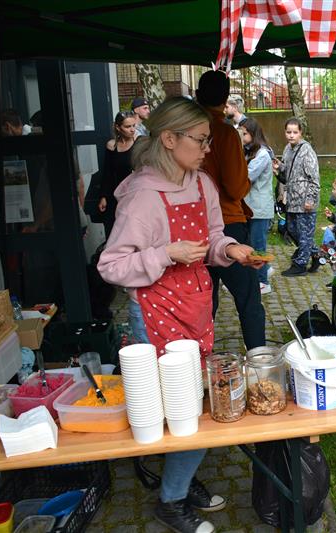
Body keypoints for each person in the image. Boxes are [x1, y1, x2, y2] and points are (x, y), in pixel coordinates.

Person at [98, 96, 263, 533]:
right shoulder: (142, 197)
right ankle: (171, 501)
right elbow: (110, 265)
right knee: (184, 404)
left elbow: (211, 236)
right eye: (201, 140)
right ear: (169, 140)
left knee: (193, 401)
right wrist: (164, 254)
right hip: (155, 312)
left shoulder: (201, 183)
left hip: (196, 303)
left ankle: (180, 479)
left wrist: (230, 248)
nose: (208, 148)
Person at [195, 70, 266, 350]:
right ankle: (260, 361)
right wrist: (247, 180)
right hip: (227, 223)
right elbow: (236, 187)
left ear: (199, 96)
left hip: (192, 226)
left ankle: (201, 360)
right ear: (225, 100)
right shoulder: (224, 133)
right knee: (248, 299)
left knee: (204, 300)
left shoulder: (186, 131)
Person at [273, 118, 321, 276]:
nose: (291, 135)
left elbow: (314, 178)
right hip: (292, 200)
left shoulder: (307, 150)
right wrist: (279, 167)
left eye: (295, 132)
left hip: (305, 200)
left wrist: (310, 199)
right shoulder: (288, 149)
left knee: (304, 232)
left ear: (301, 132)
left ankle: (300, 264)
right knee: (292, 230)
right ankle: (315, 253)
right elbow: (287, 173)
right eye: (288, 132)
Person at [239, 117, 274, 295]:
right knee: (249, 243)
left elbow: (246, 176)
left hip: (259, 208)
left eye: (244, 134)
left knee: (258, 244)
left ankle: (263, 281)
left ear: (253, 134)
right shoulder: (249, 151)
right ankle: (260, 273)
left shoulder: (262, 154)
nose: (241, 137)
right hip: (250, 206)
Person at [98, 111, 137, 239]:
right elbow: (107, 172)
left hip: (134, 195)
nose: (132, 130)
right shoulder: (111, 145)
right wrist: (103, 196)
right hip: (115, 195)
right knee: (113, 233)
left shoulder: (140, 143)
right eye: (127, 126)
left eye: (133, 126)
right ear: (117, 127)